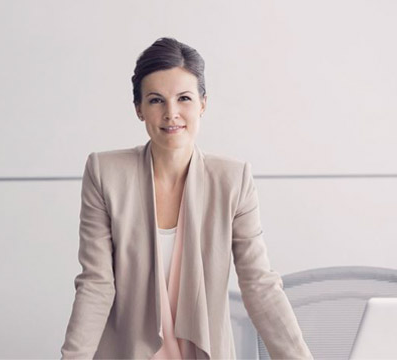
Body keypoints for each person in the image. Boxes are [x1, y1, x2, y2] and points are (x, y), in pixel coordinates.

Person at [60, 37, 313, 359]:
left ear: (202, 104)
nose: (171, 113)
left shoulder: (233, 179)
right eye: (156, 101)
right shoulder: (105, 172)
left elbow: (259, 284)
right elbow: (96, 283)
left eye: (184, 98)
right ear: (138, 109)